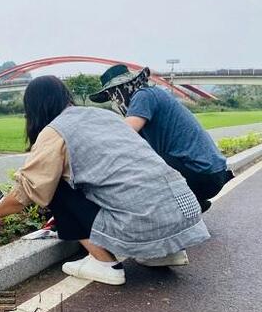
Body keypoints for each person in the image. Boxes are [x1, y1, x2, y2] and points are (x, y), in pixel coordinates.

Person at [0, 76, 210, 286]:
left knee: (54, 187)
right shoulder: (106, 116)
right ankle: (165, 253)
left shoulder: (55, 130)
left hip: (143, 221)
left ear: (33, 108)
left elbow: (29, 191)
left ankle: (104, 264)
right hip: (184, 211)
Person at [89, 64, 234, 212]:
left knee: (138, 166)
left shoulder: (143, 95)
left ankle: (188, 204)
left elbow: (123, 135)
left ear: (126, 88)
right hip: (210, 173)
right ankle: (192, 203)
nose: (114, 101)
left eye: (113, 94)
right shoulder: (151, 98)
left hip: (201, 173)